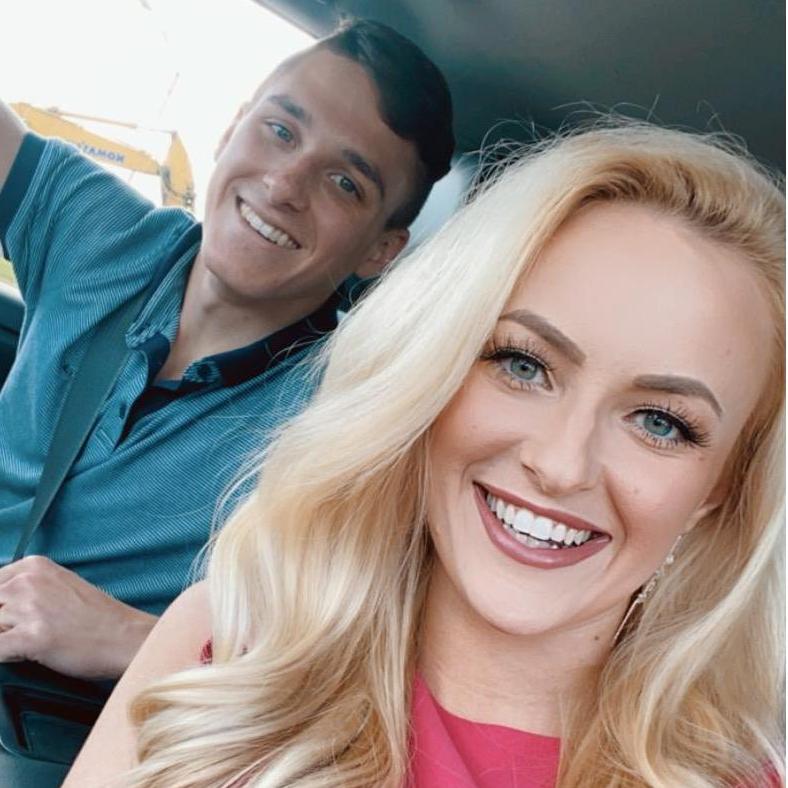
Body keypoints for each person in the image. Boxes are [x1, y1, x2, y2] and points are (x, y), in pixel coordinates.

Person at [65, 122, 784, 787]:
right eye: (523, 364)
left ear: (722, 487)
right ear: (433, 372)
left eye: (661, 423)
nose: (562, 464)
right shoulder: (229, 644)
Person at [0, 20, 454, 679]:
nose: (285, 185)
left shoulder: (349, 430)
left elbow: (334, 679)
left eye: (344, 183)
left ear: (380, 251)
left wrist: (129, 639)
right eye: (280, 131)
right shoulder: (100, 232)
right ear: (233, 126)